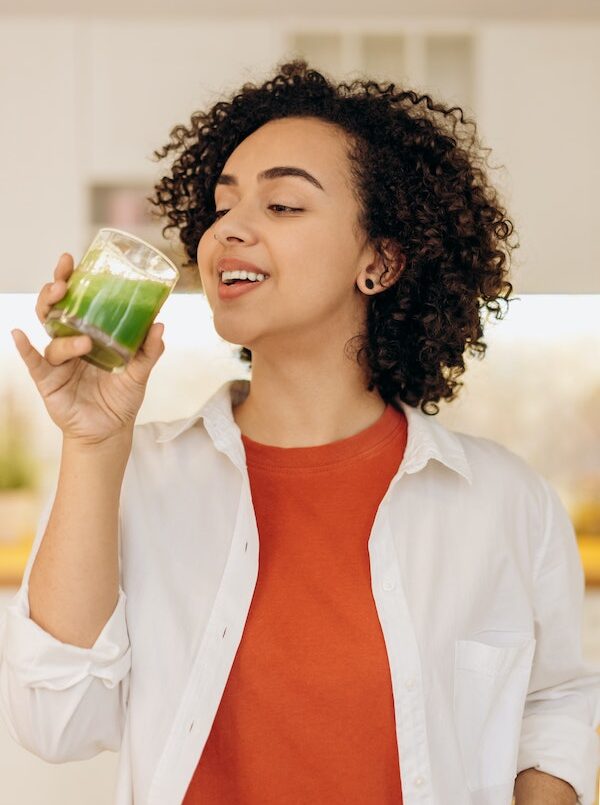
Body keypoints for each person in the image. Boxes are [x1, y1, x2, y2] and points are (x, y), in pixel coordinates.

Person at [1, 58, 598, 805]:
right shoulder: (136, 473)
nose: (230, 230)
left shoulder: (505, 500)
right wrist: (91, 444)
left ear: (378, 261)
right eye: (222, 207)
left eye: (282, 205)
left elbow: (553, 705)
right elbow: (58, 722)